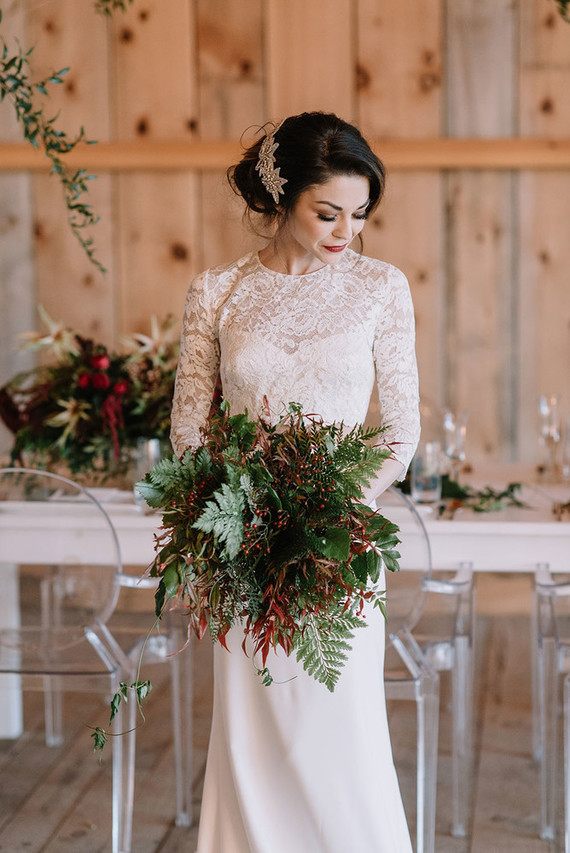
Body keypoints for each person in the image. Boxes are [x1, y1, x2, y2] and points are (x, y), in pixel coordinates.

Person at [170, 111, 420, 853]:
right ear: (282, 195)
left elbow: (401, 430)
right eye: (328, 212)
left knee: (340, 739)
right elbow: (189, 429)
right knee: (252, 740)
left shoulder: (381, 288)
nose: (347, 230)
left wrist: (331, 510)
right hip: (243, 549)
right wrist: (237, 517)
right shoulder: (216, 292)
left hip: (336, 546)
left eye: (360, 214)